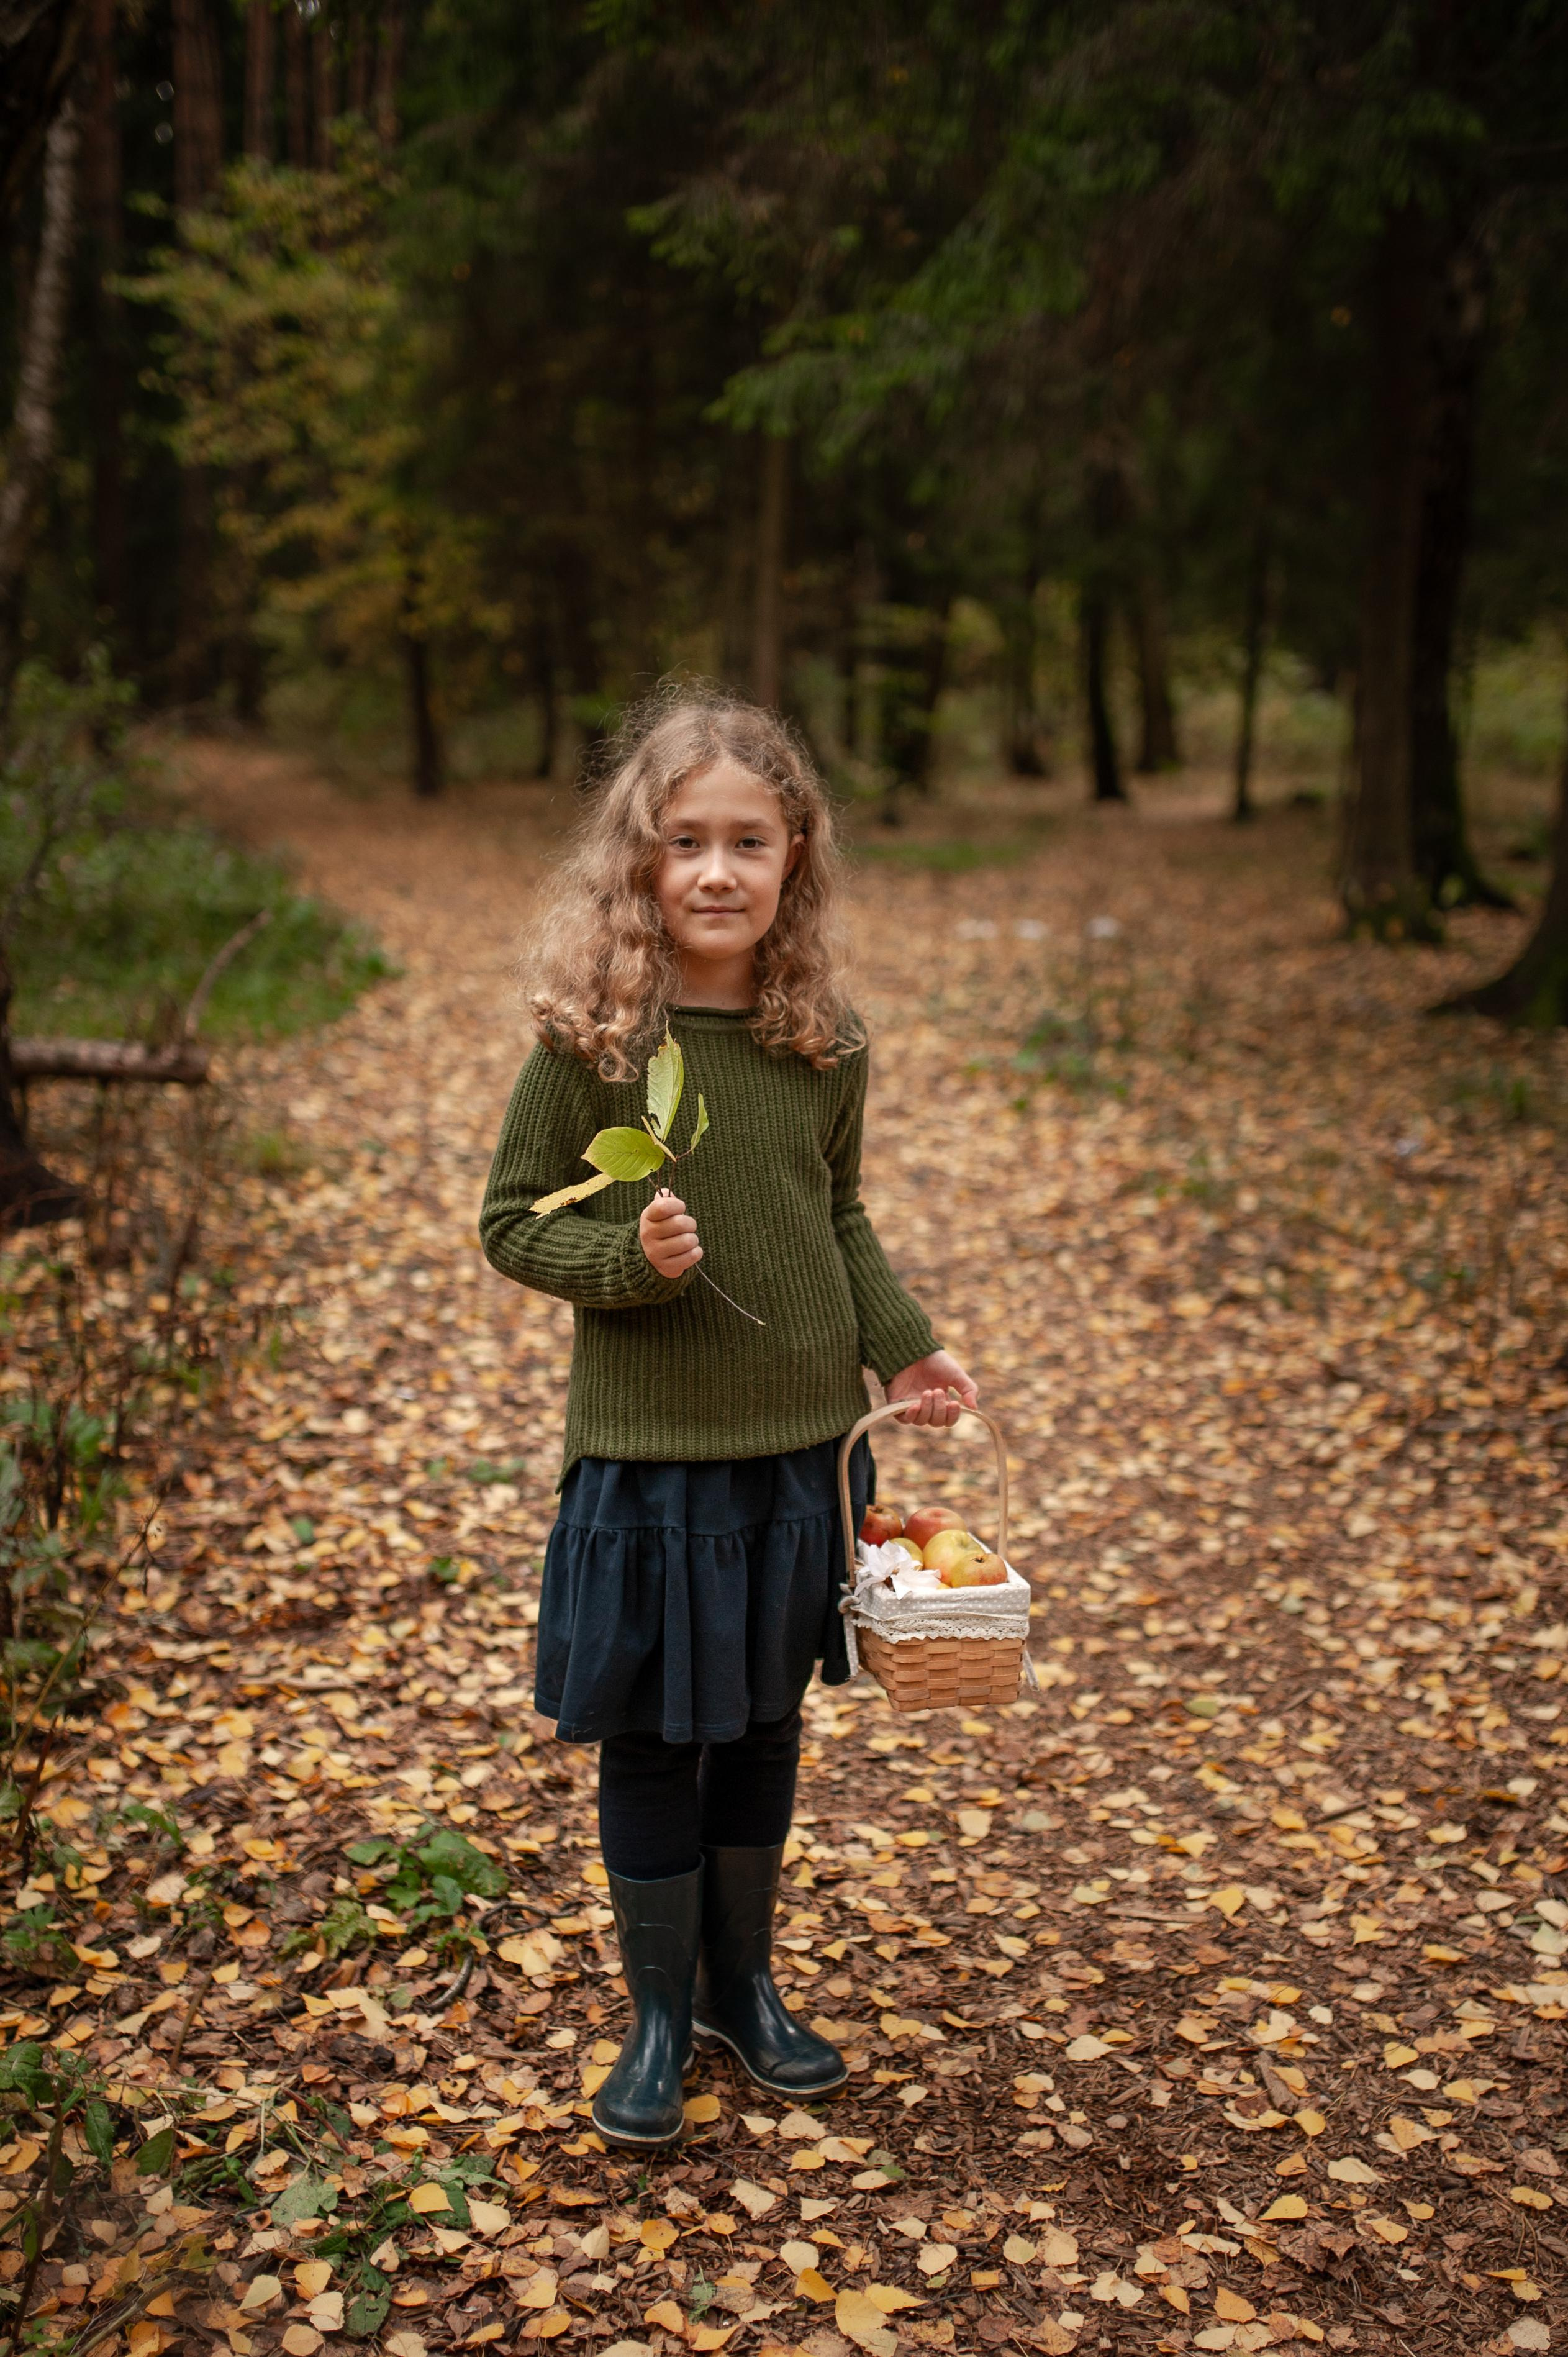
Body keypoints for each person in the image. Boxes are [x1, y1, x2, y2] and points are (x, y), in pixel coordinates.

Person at [479, 684, 977, 2146]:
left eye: (746, 841)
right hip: (648, 1452)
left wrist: (908, 1350)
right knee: (651, 1733)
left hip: (797, 1451)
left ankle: (740, 1986)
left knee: (762, 1722)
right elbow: (512, 1222)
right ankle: (653, 2010)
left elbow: (840, 1209)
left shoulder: (822, 1037)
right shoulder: (594, 1043)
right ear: (639, 860)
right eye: (683, 839)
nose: (714, 869)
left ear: (794, 857)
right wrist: (623, 1265)